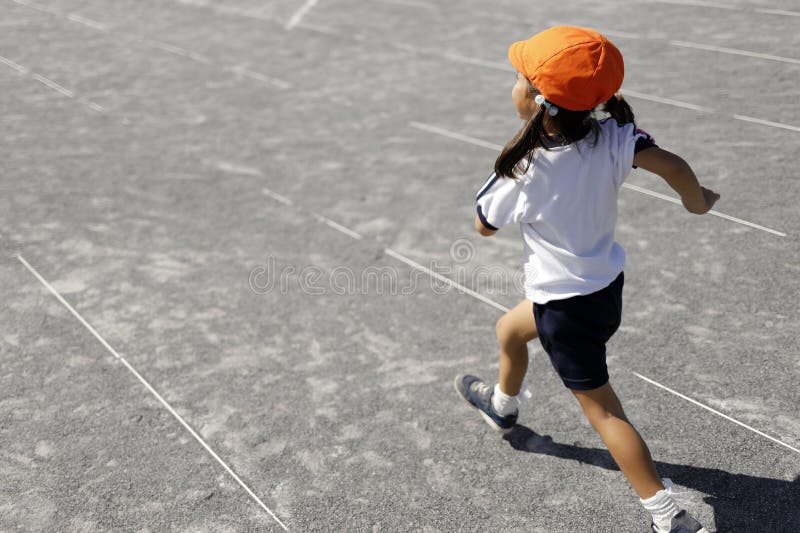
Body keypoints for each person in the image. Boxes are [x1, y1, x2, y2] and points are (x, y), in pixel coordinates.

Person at [454, 26, 719, 533]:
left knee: (605, 414)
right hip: (601, 291)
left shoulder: (523, 169)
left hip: (563, 310)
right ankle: (503, 406)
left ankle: (668, 516)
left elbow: (483, 227)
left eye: (519, 78)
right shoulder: (617, 137)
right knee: (509, 331)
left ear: (538, 101)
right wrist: (698, 201)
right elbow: (672, 164)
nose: (513, 85)